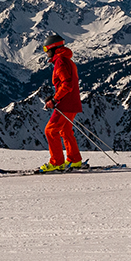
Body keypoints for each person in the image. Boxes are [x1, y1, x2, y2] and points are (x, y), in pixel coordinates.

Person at [40, 33, 86, 172]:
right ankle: (74, 160)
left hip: (65, 103)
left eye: (46, 49)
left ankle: (56, 163)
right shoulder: (67, 60)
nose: (46, 52)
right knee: (65, 131)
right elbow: (67, 84)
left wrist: (55, 99)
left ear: (53, 48)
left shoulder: (60, 61)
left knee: (50, 131)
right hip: (72, 103)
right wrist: (55, 96)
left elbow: (66, 84)